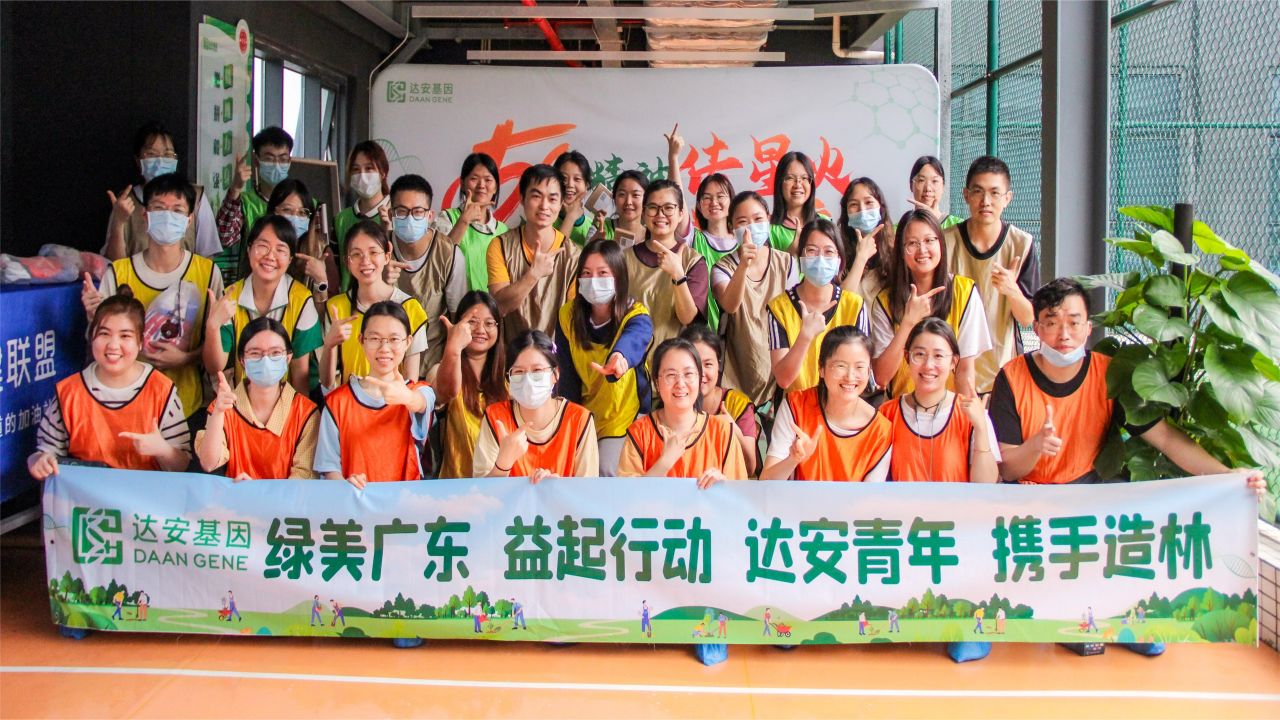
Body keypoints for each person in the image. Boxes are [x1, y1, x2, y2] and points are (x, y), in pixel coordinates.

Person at [992, 278, 1269, 490]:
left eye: (1074, 323)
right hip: (1027, 496)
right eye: (1052, 323)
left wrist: (1226, 475)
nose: (1064, 334)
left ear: (1088, 328)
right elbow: (1007, 469)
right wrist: (1036, 446)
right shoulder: (1012, 377)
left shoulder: (1108, 373)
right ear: (1037, 329)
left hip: (1087, 494)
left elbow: (1165, 438)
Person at [87, 173, 223, 430]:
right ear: (145, 215)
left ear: (189, 220)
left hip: (187, 405)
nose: (168, 216)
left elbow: (218, 344)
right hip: (127, 405)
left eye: (177, 210)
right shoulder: (119, 273)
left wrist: (186, 358)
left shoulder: (207, 273)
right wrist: (93, 318)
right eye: (159, 208)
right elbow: (98, 342)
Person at [29, 289, 190, 479]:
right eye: (104, 333)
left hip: (144, 496)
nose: (113, 345)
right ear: (92, 336)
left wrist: (163, 450)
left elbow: (182, 465)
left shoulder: (162, 390)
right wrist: (38, 461)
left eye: (125, 336)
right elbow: (44, 453)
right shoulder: (69, 392)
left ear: (140, 342)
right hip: (85, 496)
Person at [555, 239, 653, 476]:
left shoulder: (635, 314)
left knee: (605, 469)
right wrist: (570, 424)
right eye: (586, 273)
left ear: (618, 277)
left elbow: (636, 337)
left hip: (624, 415)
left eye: (602, 273)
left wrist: (620, 357)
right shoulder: (567, 315)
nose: (593, 280)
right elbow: (567, 377)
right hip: (586, 412)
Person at [870, 210, 991, 399]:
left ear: (940, 244)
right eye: (912, 243)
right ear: (901, 252)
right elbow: (881, 378)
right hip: (902, 409)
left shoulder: (964, 292)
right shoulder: (885, 301)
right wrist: (908, 323)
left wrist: (965, 413)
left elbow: (965, 369)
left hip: (949, 409)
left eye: (929, 240)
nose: (922, 250)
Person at [314, 301, 436, 486]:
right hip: (355, 502)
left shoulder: (418, 391)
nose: (384, 348)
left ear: (408, 342)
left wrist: (407, 398)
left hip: (406, 502)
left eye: (394, 339)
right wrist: (345, 485)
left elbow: (422, 402)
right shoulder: (337, 402)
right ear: (361, 340)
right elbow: (329, 468)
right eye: (374, 338)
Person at [945, 156, 1039, 394]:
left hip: (1002, 370)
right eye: (978, 191)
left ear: (1007, 198)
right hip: (949, 371)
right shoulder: (945, 242)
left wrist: (1011, 290)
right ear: (966, 195)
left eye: (995, 193)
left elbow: (1028, 318)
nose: (985, 201)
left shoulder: (1021, 244)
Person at [203, 215, 323, 395]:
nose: (270, 256)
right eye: (263, 246)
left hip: (287, 402)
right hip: (241, 402)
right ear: (249, 250)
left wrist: (298, 413)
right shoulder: (229, 297)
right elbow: (214, 367)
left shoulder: (301, 300)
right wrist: (212, 326)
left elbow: (300, 376)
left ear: (290, 259)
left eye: (280, 249)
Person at [194, 317, 320, 479]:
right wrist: (218, 413)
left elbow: (303, 478)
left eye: (275, 353)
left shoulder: (306, 413)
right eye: (255, 353)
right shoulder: (224, 406)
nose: (265, 360)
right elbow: (209, 463)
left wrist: (257, 489)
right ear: (242, 360)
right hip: (235, 494)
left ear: (288, 358)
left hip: (285, 496)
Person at [760, 327, 892, 482]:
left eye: (859, 367)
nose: (850, 376)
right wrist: (793, 459)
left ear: (869, 372)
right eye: (840, 366)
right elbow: (766, 482)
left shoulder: (881, 430)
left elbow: (870, 495)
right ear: (821, 369)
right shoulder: (796, 406)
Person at [877, 319, 1000, 483]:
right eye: (919, 354)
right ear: (907, 357)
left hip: (955, 501)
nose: (928, 365)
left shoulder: (971, 413)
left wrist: (981, 427)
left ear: (953, 362)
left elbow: (986, 484)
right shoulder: (887, 414)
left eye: (938, 356)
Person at [618, 338, 748, 485]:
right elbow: (628, 496)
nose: (680, 383)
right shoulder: (639, 433)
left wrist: (723, 486)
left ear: (699, 380)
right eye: (671, 375)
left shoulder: (722, 432)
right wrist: (664, 462)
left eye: (688, 374)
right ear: (657, 383)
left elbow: (739, 495)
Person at [474, 330, 600, 480]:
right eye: (518, 371)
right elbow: (481, 490)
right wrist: (503, 463)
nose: (528, 380)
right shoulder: (496, 418)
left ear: (555, 374)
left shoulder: (579, 420)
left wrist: (557, 488)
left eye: (537, 370)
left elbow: (588, 489)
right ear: (508, 377)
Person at [714, 191, 799, 408]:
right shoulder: (722, 268)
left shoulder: (787, 263)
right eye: (742, 222)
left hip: (779, 369)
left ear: (768, 220)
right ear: (731, 227)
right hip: (737, 370)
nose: (751, 227)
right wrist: (743, 265)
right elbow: (730, 305)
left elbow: (792, 316)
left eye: (758, 219)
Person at [319, 220, 428, 389]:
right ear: (347, 262)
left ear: (387, 256)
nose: (365, 261)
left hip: (395, 402)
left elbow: (411, 383)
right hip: (350, 403)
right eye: (356, 254)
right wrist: (329, 345)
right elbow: (326, 383)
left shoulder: (410, 308)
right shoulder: (336, 308)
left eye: (373, 252)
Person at [768, 218, 868, 395]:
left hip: (842, 402)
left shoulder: (855, 305)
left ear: (839, 260)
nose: (820, 259)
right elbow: (783, 379)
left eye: (829, 252)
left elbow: (861, 370)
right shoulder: (779, 307)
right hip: (796, 405)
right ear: (801, 257)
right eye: (812, 251)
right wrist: (805, 336)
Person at [487, 164, 580, 344]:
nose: (544, 206)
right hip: (511, 353)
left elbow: (574, 319)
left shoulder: (574, 256)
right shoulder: (500, 245)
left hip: (555, 356)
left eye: (552, 199)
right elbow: (500, 306)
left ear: (561, 203)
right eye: (536, 196)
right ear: (522, 199)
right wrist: (533, 274)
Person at [103, 121, 220, 259]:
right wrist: (118, 222)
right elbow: (115, 263)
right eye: (151, 154)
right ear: (138, 160)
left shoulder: (195, 197)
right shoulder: (125, 202)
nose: (160, 161)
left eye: (168, 154)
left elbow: (207, 256)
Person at [388, 174, 468, 373]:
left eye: (417, 212)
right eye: (401, 211)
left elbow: (457, 317)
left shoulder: (449, 254)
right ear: (391, 214)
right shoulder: (379, 251)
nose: (409, 218)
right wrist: (380, 282)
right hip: (386, 363)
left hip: (432, 364)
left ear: (430, 216)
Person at [667, 125, 738, 330]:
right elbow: (677, 199)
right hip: (701, 335)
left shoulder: (745, 243)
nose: (714, 202)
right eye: (706, 198)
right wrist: (673, 158)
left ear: (732, 201)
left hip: (740, 335)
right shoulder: (694, 239)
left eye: (720, 196)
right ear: (698, 206)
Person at [624, 179, 709, 350]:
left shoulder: (693, 261)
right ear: (643, 213)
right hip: (630, 359)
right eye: (653, 208)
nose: (660, 214)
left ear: (681, 214)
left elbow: (688, 319)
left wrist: (678, 274)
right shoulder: (624, 258)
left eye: (668, 208)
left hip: (675, 359)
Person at [432, 292, 508, 480]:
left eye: (489, 323)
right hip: (455, 487)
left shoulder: (508, 383)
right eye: (472, 322)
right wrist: (453, 348)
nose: (480, 329)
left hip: (500, 485)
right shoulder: (438, 371)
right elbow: (444, 392)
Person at [680, 324, 760, 477]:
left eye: (708, 364)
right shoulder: (673, 403)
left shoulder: (737, 404)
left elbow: (750, 468)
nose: (701, 372)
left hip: (729, 487)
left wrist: (732, 429)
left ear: (719, 364)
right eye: (694, 364)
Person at [215, 126, 295, 253]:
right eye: (269, 159)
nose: (277, 165)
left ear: (289, 161)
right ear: (256, 160)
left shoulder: (304, 204)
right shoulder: (246, 203)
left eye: (283, 159)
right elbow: (223, 239)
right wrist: (235, 189)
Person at [437, 152, 509, 292]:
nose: (481, 185)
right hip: (456, 304)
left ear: (495, 187)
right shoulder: (447, 218)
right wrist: (464, 220)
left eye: (488, 180)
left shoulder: (503, 230)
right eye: (474, 179)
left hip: (492, 304)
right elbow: (439, 260)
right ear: (462, 184)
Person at [334, 141, 392, 290]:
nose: (362, 175)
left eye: (369, 168)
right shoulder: (341, 219)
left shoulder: (398, 214)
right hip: (349, 300)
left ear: (383, 173)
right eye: (356, 169)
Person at [837, 177, 893, 307]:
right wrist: (861, 258)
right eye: (854, 204)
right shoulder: (837, 251)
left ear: (881, 208)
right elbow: (841, 304)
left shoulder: (895, 250)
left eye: (869, 202)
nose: (862, 210)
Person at [768, 151, 823, 253]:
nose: (798, 184)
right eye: (790, 178)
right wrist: (791, 251)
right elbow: (765, 263)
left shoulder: (825, 223)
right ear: (780, 183)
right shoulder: (768, 229)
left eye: (804, 178)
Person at [588, 170, 648, 246]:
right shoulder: (600, 228)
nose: (628, 202)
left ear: (646, 199)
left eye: (635, 195)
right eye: (622, 194)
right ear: (614, 198)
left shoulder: (653, 235)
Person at [906, 155, 964, 229]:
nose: (928, 188)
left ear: (943, 186)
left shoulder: (959, 226)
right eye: (921, 180)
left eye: (934, 181)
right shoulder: (901, 228)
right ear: (911, 185)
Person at [554, 150, 597, 247]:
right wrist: (570, 217)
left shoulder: (592, 228)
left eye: (577, 179)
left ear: (586, 185)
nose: (570, 184)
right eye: (563, 178)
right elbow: (555, 254)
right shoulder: (545, 219)